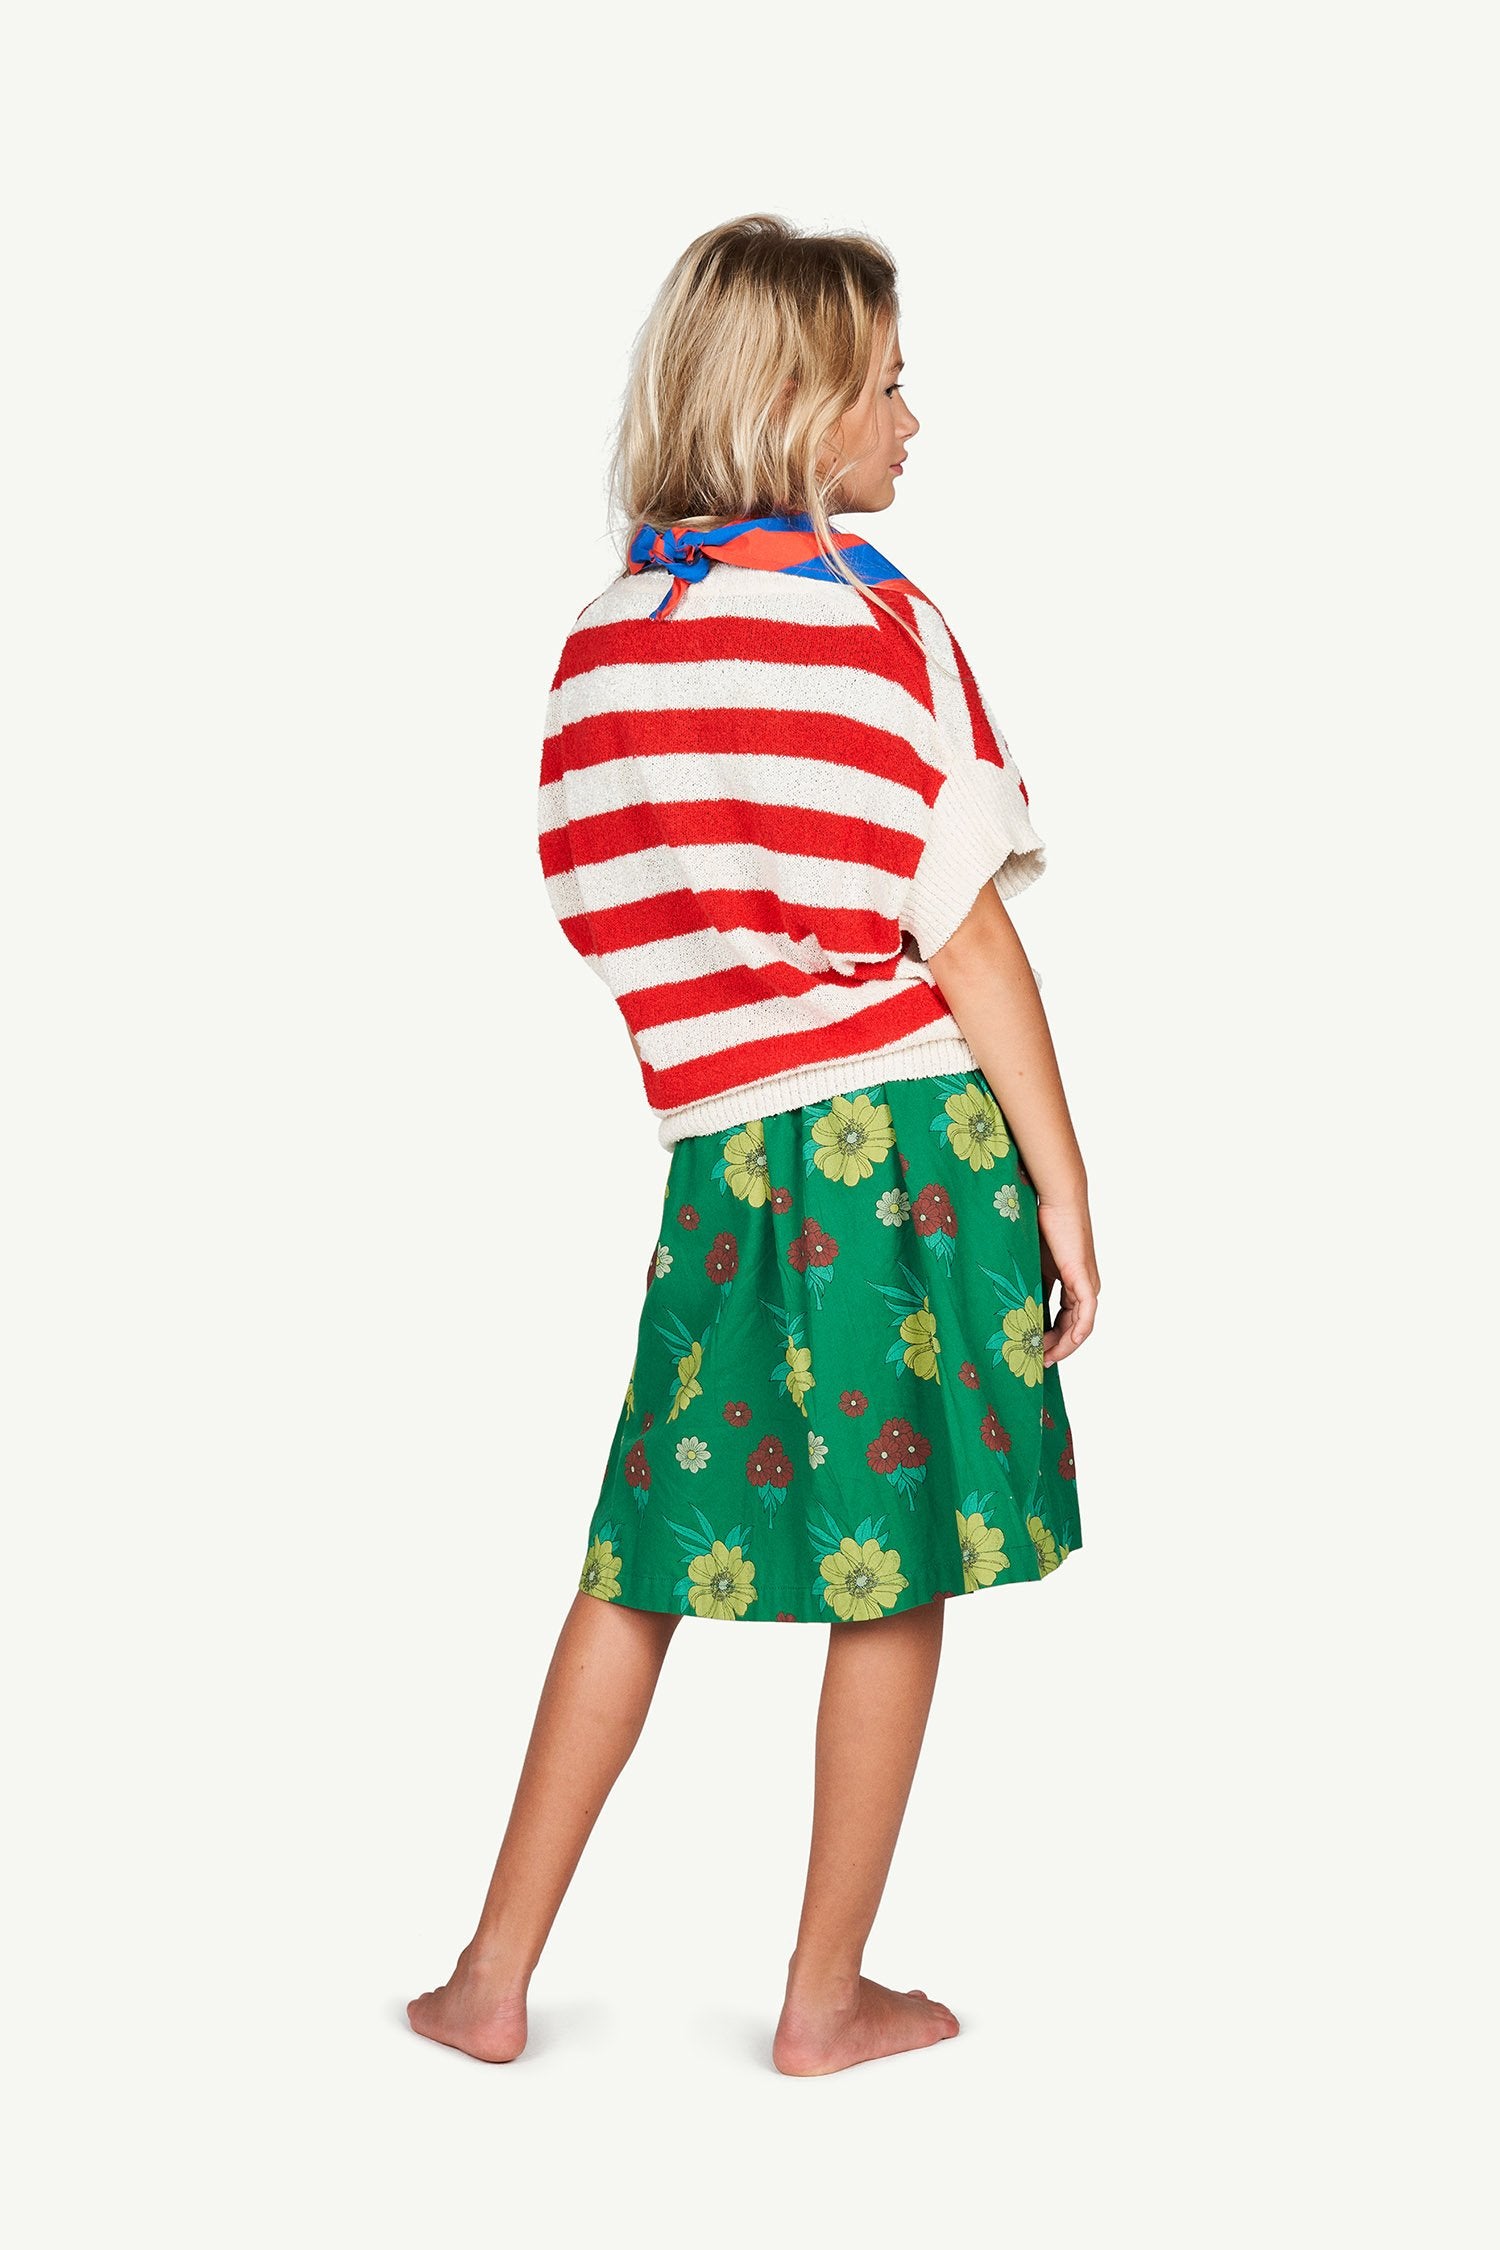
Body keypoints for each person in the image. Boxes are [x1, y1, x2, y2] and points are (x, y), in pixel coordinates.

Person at [408, 213, 1101, 2077]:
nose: (914, 423)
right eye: (888, 386)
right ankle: (823, 1992)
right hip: (909, 1153)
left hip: (723, 1161)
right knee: (893, 1561)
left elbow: (594, 893)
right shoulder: (879, 625)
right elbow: (966, 937)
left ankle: (490, 1974)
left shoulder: (601, 648)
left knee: (645, 1544)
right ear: (799, 405)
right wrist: (1063, 1184)